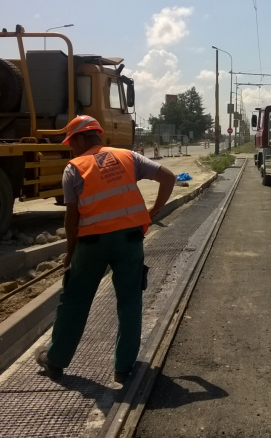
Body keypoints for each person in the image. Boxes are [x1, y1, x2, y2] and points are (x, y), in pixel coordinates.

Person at [35, 115, 177, 383]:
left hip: (91, 245)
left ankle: (55, 361)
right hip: (129, 241)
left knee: (74, 301)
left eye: (70, 143)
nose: (71, 148)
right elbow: (168, 177)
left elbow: (72, 218)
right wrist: (153, 212)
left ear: (79, 138)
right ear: (97, 134)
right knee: (130, 302)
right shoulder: (128, 157)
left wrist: (70, 251)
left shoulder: (74, 168)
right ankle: (123, 368)